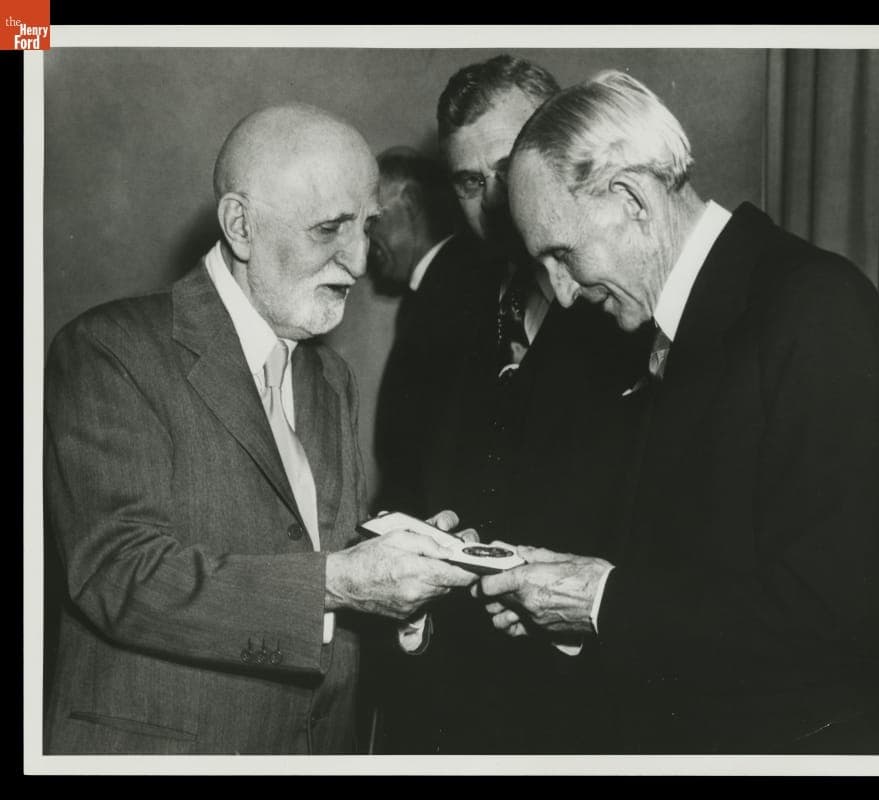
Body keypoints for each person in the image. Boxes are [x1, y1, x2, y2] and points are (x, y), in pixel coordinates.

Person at [479, 70, 879, 754]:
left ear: (631, 199)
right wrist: (571, 608)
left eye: (562, 255)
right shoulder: (684, 327)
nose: (560, 296)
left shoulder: (816, 309)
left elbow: (839, 618)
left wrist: (601, 601)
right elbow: (701, 579)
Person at [42, 103, 480, 755]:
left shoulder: (330, 378)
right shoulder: (109, 350)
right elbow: (118, 572)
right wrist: (345, 580)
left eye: (367, 227)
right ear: (240, 226)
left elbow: (316, 570)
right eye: (330, 229)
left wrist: (408, 588)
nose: (358, 261)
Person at [376, 56, 641, 754]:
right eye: (471, 180)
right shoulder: (444, 298)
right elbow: (405, 471)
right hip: (459, 701)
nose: (495, 199)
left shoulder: (628, 302)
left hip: (598, 703)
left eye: (511, 163)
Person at [368, 147, 483, 517]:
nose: (364, 244)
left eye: (372, 222)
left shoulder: (463, 284)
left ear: (412, 202)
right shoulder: (427, 293)